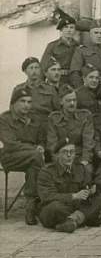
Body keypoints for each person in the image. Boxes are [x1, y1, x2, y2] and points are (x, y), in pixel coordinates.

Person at [38, 139, 101, 232]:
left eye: (72, 152)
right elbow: (47, 196)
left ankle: (72, 221)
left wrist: (89, 191)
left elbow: (87, 187)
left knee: (100, 197)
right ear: (57, 155)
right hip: (57, 207)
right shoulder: (47, 171)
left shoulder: (81, 168)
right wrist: (74, 196)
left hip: (75, 206)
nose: (69, 155)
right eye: (65, 152)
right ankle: (85, 218)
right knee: (55, 208)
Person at [0, 88, 46, 225]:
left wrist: (41, 146)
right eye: (23, 101)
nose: (27, 105)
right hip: (11, 157)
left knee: (34, 166)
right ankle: (39, 203)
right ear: (13, 103)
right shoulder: (4, 119)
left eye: (29, 102)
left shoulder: (35, 119)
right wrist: (34, 148)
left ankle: (31, 206)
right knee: (36, 157)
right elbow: (10, 144)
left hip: (33, 158)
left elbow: (42, 139)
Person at [47, 85, 94, 173]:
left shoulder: (85, 116)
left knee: (87, 171)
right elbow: (52, 145)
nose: (72, 103)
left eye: (74, 100)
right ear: (61, 102)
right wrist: (60, 162)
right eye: (68, 101)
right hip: (61, 158)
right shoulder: (53, 118)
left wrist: (85, 160)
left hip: (79, 157)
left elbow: (88, 143)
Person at [14, 58, 60, 128]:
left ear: (40, 70)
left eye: (36, 68)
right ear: (25, 71)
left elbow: (57, 110)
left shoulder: (50, 89)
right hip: (25, 125)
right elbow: (13, 111)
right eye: (31, 68)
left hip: (45, 125)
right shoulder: (18, 89)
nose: (34, 71)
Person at [69, 20, 101, 88]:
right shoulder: (81, 50)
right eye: (96, 33)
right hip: (88, 86)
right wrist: (81, 89)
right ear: (90, 34)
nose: (99, 36)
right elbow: (75, 73)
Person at [41, 16, 78, 84]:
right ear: (61, 30)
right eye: (66, 27)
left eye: (71, 27)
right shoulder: (52, 46)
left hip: (74, 81)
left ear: (75, 30)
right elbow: (44, 66)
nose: (69, 30)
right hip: (58, 79)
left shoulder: (78, 46)